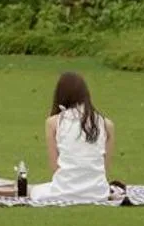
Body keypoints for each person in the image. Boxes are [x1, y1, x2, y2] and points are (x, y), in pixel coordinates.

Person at [29, 70, 117, 205]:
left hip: (65, 190)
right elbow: (104, 168)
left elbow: (54, 167)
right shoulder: (107, 124)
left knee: (33, 191)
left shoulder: (53, 123)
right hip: (98, 193)